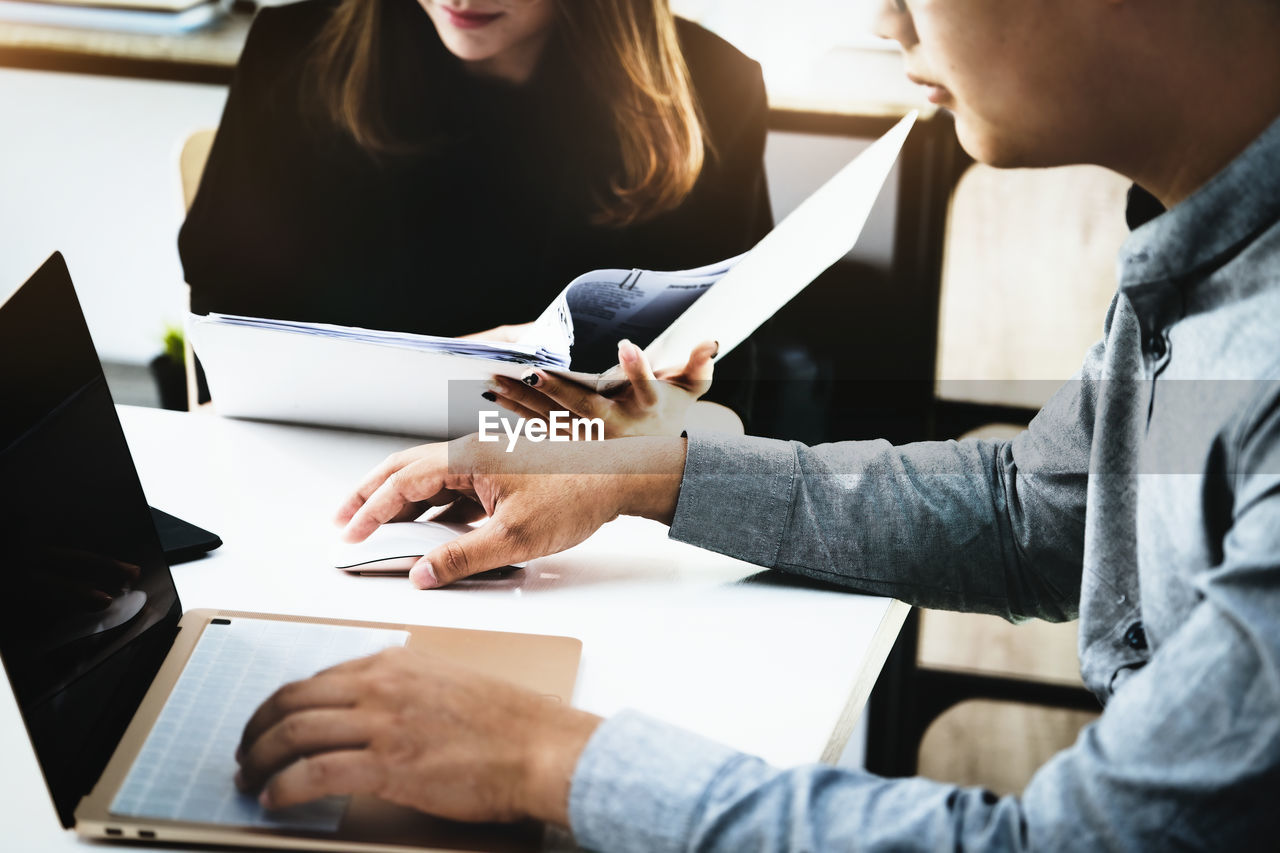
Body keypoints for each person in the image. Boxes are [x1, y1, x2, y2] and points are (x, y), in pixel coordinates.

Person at [233, 0, 1280, 848]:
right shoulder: (1210, 271)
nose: (887, 22)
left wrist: (543, 760)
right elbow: (1044, 516)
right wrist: (646, 472)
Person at [178, 0, 772, 434]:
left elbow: (727, 373)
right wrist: (458, 375)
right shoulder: (293, 48)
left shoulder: (715, 85)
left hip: (583, 467)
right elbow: (235, 338)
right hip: (324, 451)